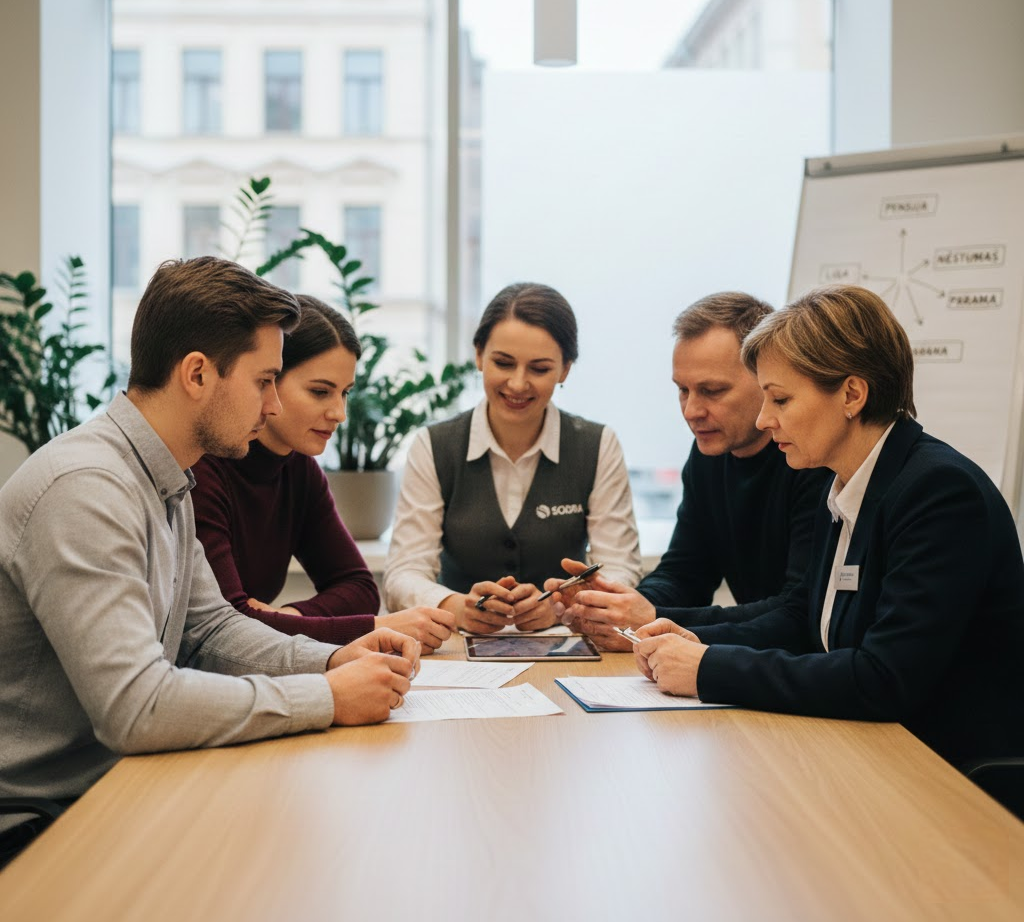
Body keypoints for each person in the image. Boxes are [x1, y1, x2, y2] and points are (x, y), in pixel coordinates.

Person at [0, 257, 419, 866]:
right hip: (37, 821)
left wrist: (334, 657)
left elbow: (210, 629)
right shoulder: (86, 488)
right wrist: (327, 696)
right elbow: (135, 708)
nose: (275, 406)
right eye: (264, 381)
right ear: (197, 373)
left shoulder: (168, 478)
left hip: (114, 788)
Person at [632, 284, 1024, 768]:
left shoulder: (938, 492)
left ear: (851, 395)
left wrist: (711, 668)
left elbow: (884, 678)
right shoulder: (844, 481)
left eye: (779, 400)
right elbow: (803, 618)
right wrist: (692, 640)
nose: (765, 419)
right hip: (873, 751)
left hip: (954, 773)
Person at [556, 292, 831, 650]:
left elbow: (797, 611)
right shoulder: (709, 454)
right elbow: (686, 573)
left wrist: (652, 618)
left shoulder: (811, 459)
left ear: (766, 380)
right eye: (682, 390)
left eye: (712, 391)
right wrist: (616, 602)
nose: (691, 410)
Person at [192, 294, 455, 652]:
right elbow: (229, 626)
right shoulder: (202, 468)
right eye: (320, 392)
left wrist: (289, 616)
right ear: (267, 380)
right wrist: (375, 627)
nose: (339, 413)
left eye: (345, 393)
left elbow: (359, 588)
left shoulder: (299, 469)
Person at [383, 282, 642, 633]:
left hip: (564, 642)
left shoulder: (598, 445)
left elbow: (620, 568)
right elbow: (403, 572)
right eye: (503, 363)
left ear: (565, 369)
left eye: (539, 369)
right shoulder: (434, 445)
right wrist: (456, 606)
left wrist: (562, 604)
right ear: (478, 355)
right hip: (458, 647)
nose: (518, 384)